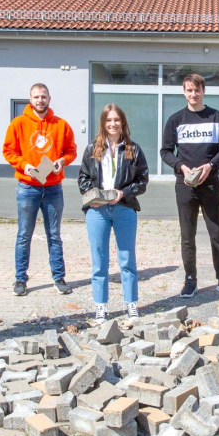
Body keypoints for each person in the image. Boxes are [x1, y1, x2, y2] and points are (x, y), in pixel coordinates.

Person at [160, 73, 219, 298]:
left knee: (216, 233)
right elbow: (165, 151)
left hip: (211, 185)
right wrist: (181, 167)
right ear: (184, 92)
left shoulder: (216, 117)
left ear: (203, 91)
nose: (193, 94)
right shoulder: (176, 119)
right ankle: (190, 280)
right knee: (188, 235)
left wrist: (211, 166)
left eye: (197, 90)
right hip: (185, 185)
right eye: (189, 90)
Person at [3, 83, 77, 297]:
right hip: (28, 187)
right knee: (24, 235)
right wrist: (25, 165)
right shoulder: (18, 124)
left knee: (54, 235)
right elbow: (9, 151)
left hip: (53, 188)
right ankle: (20, 279)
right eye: (36, 97)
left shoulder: (61, 125)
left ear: (49, 98)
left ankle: (59, 277)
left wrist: (62, 161)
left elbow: (71, 151)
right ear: (30, 99)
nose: (40, 100)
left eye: (43, 96)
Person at [79, 104, 149, 323]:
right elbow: (82, 178)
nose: (113, 124)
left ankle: (131, 304)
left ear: (123, 123)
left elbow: (142, 180)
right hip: (97, 210)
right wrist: (94, 197)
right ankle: (101, 306)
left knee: (127, 258)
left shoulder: (133, 149)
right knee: (99, 260)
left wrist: (124, 192)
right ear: (103, 123)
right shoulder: (92, 149)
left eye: (116, 120)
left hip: (124, 208)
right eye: (108, 120)